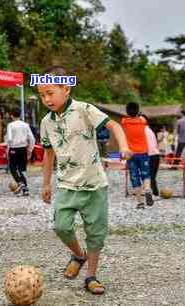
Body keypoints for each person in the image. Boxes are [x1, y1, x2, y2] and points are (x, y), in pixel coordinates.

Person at [39, 66, 131, 296]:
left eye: (50, 92)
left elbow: (114, 126)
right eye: (42, 95)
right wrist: (46, 183)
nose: (46, 99)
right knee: (61, 226)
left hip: (94, 184)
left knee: (95, 233)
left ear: (66, 89)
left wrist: (124, 146)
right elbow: (48, 153)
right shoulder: (46, 123)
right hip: (66, 185)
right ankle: (78, 255)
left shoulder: (84, 110)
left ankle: (91, 275)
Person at [121, 102, 154, 209]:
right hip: (143, 153)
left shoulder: (124, 122)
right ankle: (148, 189)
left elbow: (126, 118)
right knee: (146, 174)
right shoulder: (142, 122)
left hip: (130, 154)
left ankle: (140, 203)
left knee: (135, 177)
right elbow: (142, 118)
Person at [6, 108, 35, 196]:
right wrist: (30, 150)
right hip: (23, 149)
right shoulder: (25, 125)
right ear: (20, 115)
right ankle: (25, 189)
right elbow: (32, 138)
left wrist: (8, 149)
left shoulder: (10, 125)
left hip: (14, 148)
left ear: (11, 115)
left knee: (12, 168)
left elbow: (9, 138)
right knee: (22, 169)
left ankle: (20, 182)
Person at [141, 114, 160, 197]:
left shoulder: (144, 130)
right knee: (151, 175)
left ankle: (151, 192)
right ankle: (154, 192)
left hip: (150, 154)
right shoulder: (149, 130)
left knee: (148, 175)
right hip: (155, 154)